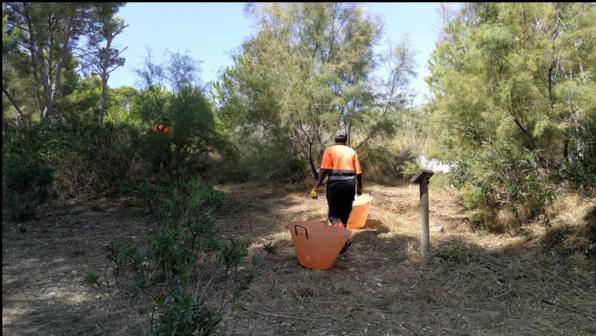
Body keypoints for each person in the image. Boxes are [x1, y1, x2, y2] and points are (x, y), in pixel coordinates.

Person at [311, 129, 363, 253]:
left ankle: (341, 242)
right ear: (345, 139)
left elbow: (323, 170)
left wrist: (316, 186)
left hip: (335, 186)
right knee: (344, 213)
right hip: (350, 186)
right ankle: (341, 241)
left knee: (334, 215)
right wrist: (360, 187)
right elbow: (359, 173)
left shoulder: (330, 150)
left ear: (335, 139)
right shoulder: (352, 152)